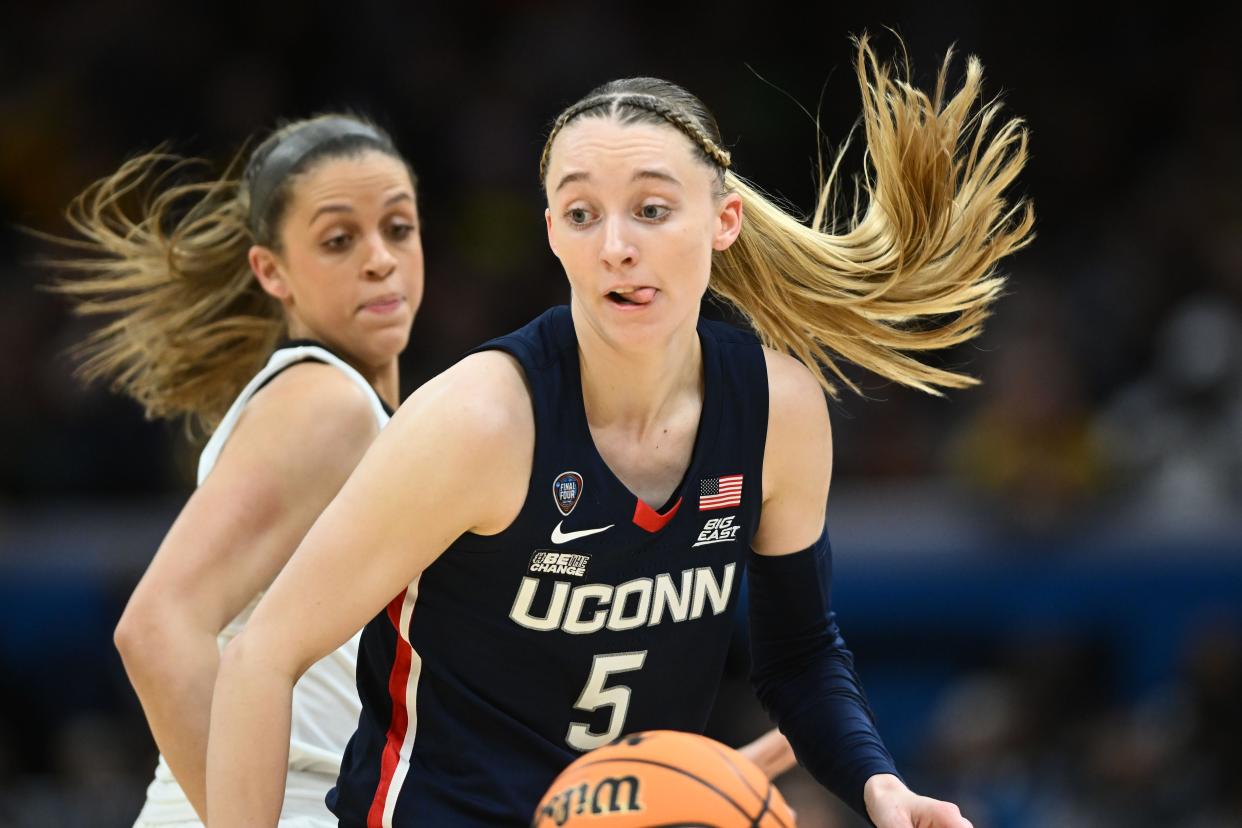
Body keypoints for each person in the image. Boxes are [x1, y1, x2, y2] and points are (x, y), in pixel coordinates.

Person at [207, 35, 1033, 828]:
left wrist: (880, 788)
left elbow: (801, 658)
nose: (615, 248)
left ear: (724, 222)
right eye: (580, 213)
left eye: (650, 209)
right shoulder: (480, 421)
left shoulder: (776, 411)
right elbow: (259, 656)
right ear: (551, 234)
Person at [51, 114, 424, 826]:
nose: (380, 259)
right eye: (339, 239)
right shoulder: (325, 404)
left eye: (399, 228)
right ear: (271, 271)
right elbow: (157, 627)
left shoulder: (352, 409)